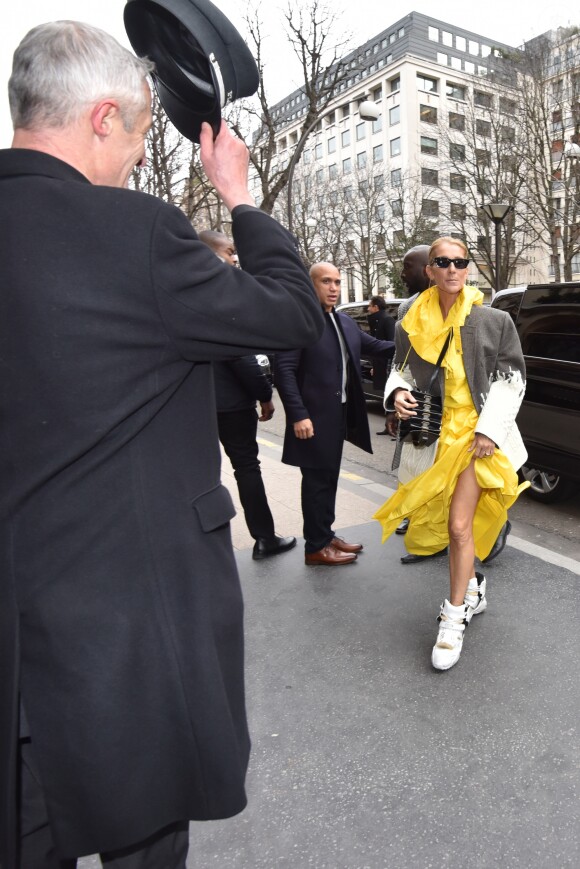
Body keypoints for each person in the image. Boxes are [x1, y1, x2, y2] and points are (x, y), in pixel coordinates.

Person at [0, 21, 325, 869]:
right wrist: (241, 198)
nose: (141, 157)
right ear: (102, 118)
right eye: (143, 132)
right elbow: (290, 312)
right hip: (124, 648)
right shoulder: (133, 234)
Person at [373, 237, 528, 671]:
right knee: (444, 522)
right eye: (444, 262)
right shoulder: (410, 316)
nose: (454, 269)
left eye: (461, 262)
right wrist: (399, 392)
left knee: (460, 527)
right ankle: (474, 587)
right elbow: (399, 369)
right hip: (433, 435)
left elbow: (512, 379)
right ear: (430, 270)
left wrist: (489, 430)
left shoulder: (492, 319)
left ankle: (453, 616)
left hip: (476, 436)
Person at [275, 262, 394, 566]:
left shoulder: (345, 323)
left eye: (338, 282)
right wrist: (298, 415)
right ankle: (315, 546)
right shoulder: (300, 323)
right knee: (316, 483)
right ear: (311, 285)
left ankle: (326, 535)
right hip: (311, 420)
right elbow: (284, 372)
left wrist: (419, 341)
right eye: (326, 281)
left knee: (328, 480)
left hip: (337, 416)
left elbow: (379, 347)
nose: (333, 288)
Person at [199, 230, 297, 561]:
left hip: (194, 405)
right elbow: (242, 357)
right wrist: (264, 395)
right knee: (246, 468)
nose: (235, 258)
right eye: (229, 251)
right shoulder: (223, 295)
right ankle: (264, 538)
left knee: (201, 473)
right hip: (231, 404)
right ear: (212, 254)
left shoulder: (186, 292)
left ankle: (202, 547)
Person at [366, 296, 396, 436]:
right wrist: (374, 365)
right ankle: (388, 424)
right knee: (385, 394)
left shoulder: (387, 320)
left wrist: (388, 365)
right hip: (380, 363)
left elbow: (391, 344)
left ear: (376, 307)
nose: (367, 309)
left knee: (391, 394)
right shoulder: (376, 321)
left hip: (387, 364)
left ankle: (393, 425)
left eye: (370, 306)